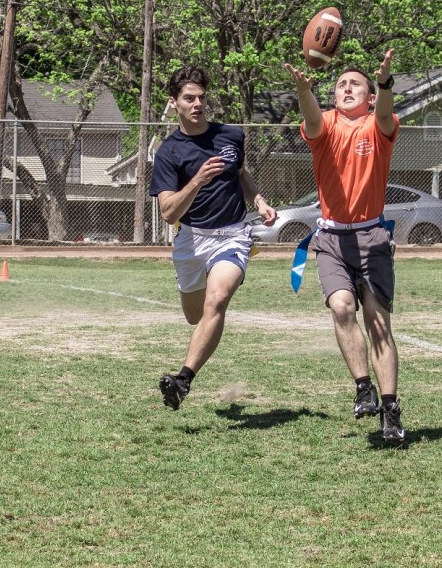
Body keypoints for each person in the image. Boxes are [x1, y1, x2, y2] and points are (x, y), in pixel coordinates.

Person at [284, 50, 406, 444]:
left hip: (372, 236)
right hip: (332, 237)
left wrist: (385, 82)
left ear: (370, 96)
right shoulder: (327, 126)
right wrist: (304, 91)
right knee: (341, 306)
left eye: (356, 83)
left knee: (377, 320)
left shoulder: (377, 125)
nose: (347, 88)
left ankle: (390, 408)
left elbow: (386, 114)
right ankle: (362, 387)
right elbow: (312, 119)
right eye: (340, 85)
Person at [150, 65, 277, 410]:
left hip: (233, 234)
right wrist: (197, 181)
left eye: (201, 97)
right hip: (191, 240)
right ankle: (192, 357)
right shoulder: (168, 153)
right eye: (189, 98)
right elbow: (168, 213)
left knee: (217, 300)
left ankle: (183, 379)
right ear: (174, 103)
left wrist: (259, 199)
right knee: (196, 316)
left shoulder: (231, 136)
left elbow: (240, 172)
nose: (197, 104)